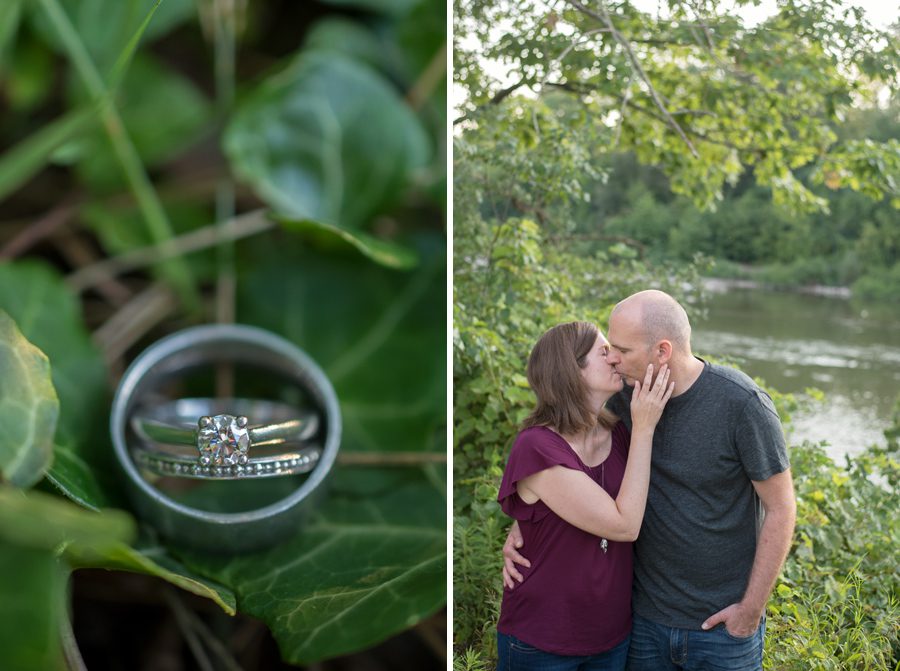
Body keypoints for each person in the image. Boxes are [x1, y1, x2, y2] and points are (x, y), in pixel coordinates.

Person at [503, 291, 796, 671]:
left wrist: (751, 610)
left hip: (723, 629)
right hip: (643, 623)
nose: (612, 358)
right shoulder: (622, 400)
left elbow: (781, 507)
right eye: (607, 350)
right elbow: (560, 454)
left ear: (662, 351)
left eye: (620, 349)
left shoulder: (742, 404)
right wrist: (524, 520)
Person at [495, 320, 674, 671]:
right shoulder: (537, 448)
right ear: (571, 371)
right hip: (543, 639)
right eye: (604, 352)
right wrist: (645, 428)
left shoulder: (617, 432)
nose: (615, 360)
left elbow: (671, 354)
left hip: (610, 636)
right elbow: (624, 526)